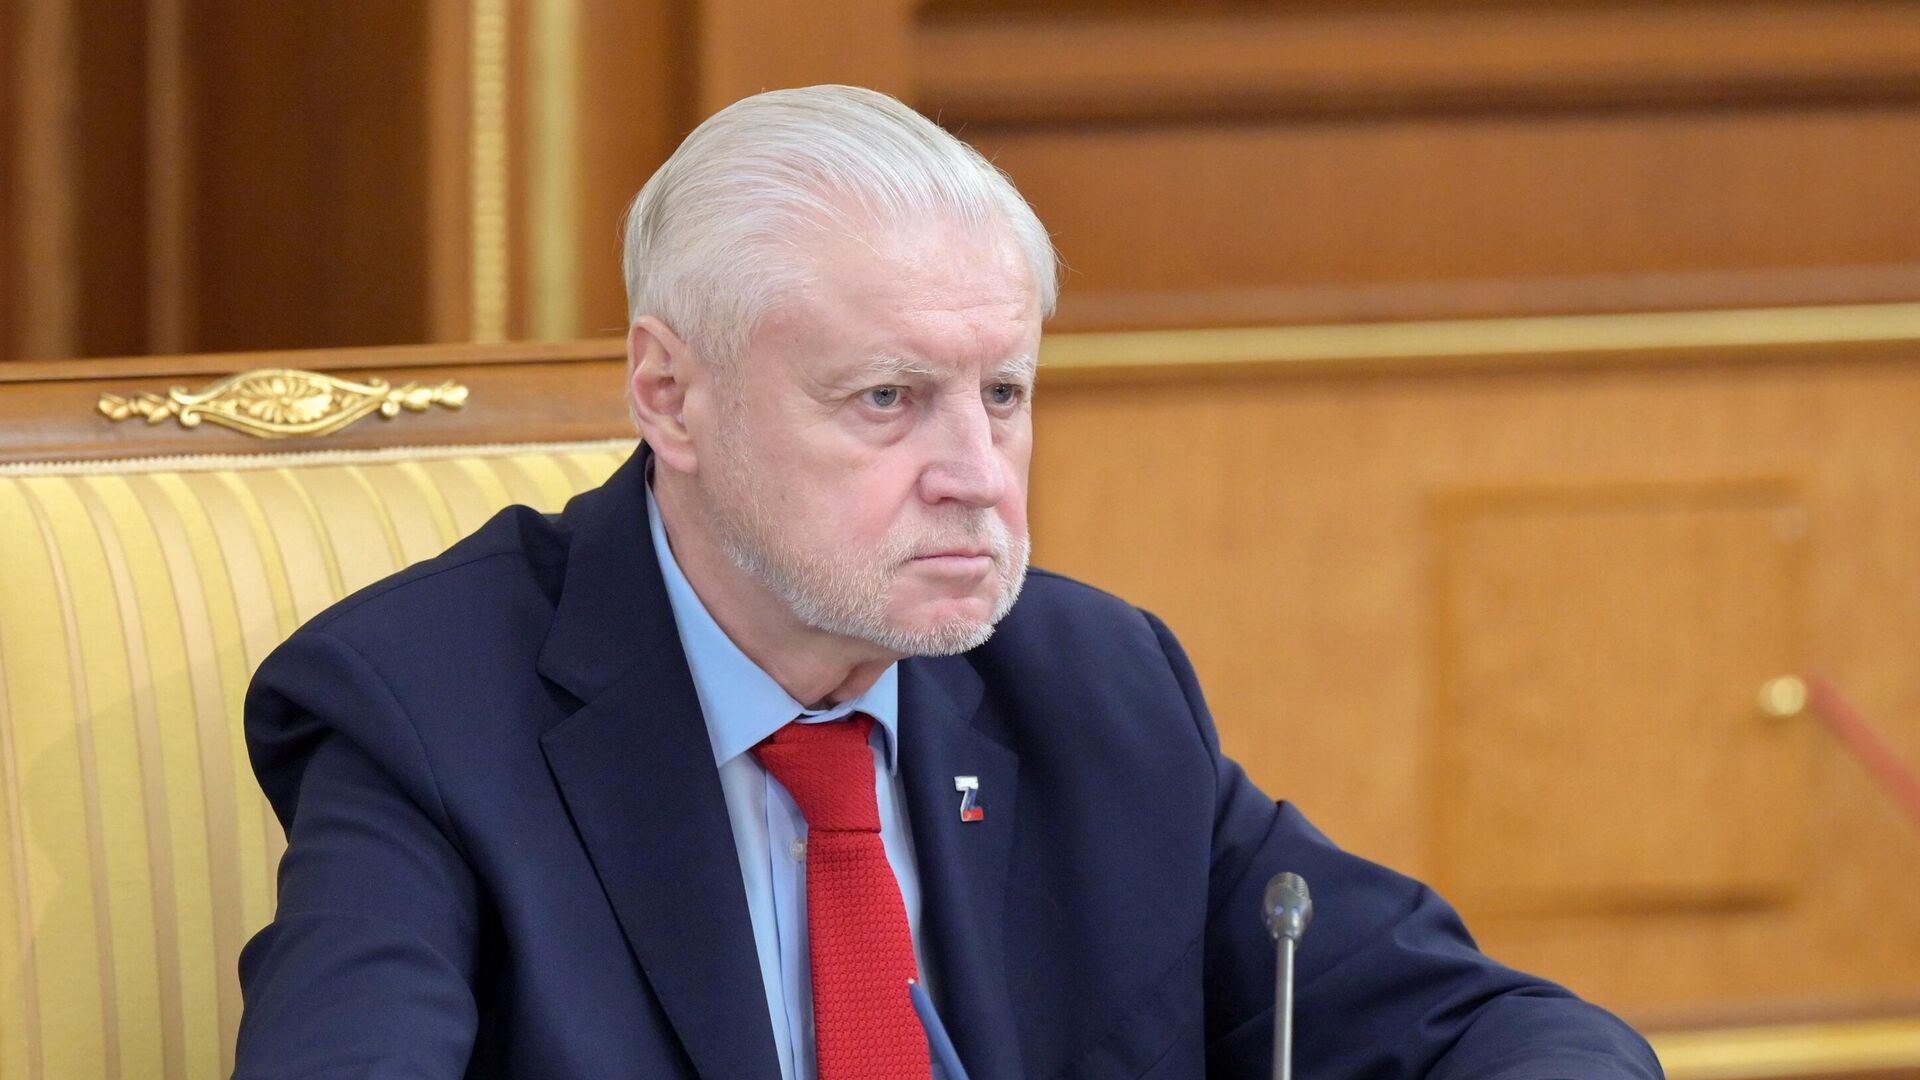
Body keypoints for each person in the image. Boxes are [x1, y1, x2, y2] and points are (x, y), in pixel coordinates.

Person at [233, 85, 1662, 1078]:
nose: (976, 472)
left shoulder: (1091, 684)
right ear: (671, 395)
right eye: (888, 399)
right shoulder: (428, 714)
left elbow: (1501, 1035)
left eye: (1005, 393)